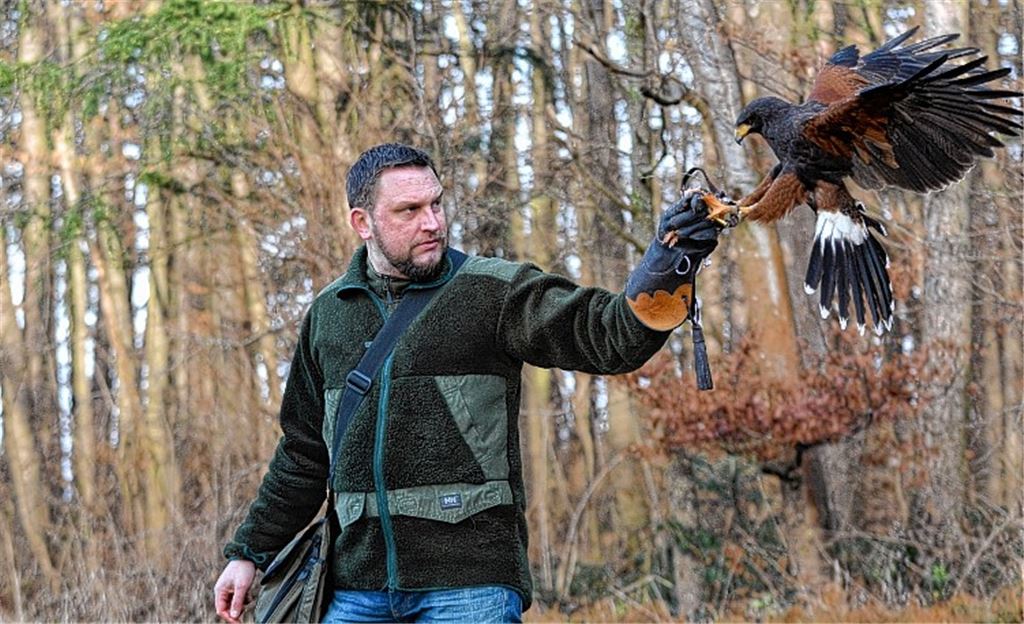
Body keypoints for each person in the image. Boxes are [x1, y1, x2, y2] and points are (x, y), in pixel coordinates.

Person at [213, 143, 721, 623]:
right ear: (362, 222)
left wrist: (666, 265)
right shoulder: (329, 314)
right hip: (354, 586)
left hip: (470, 584)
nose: (432, 223)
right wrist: (249, 553)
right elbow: (304, 452)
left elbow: (607, 336)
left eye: (436, 203)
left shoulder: (492, 291)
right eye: (408, 211)